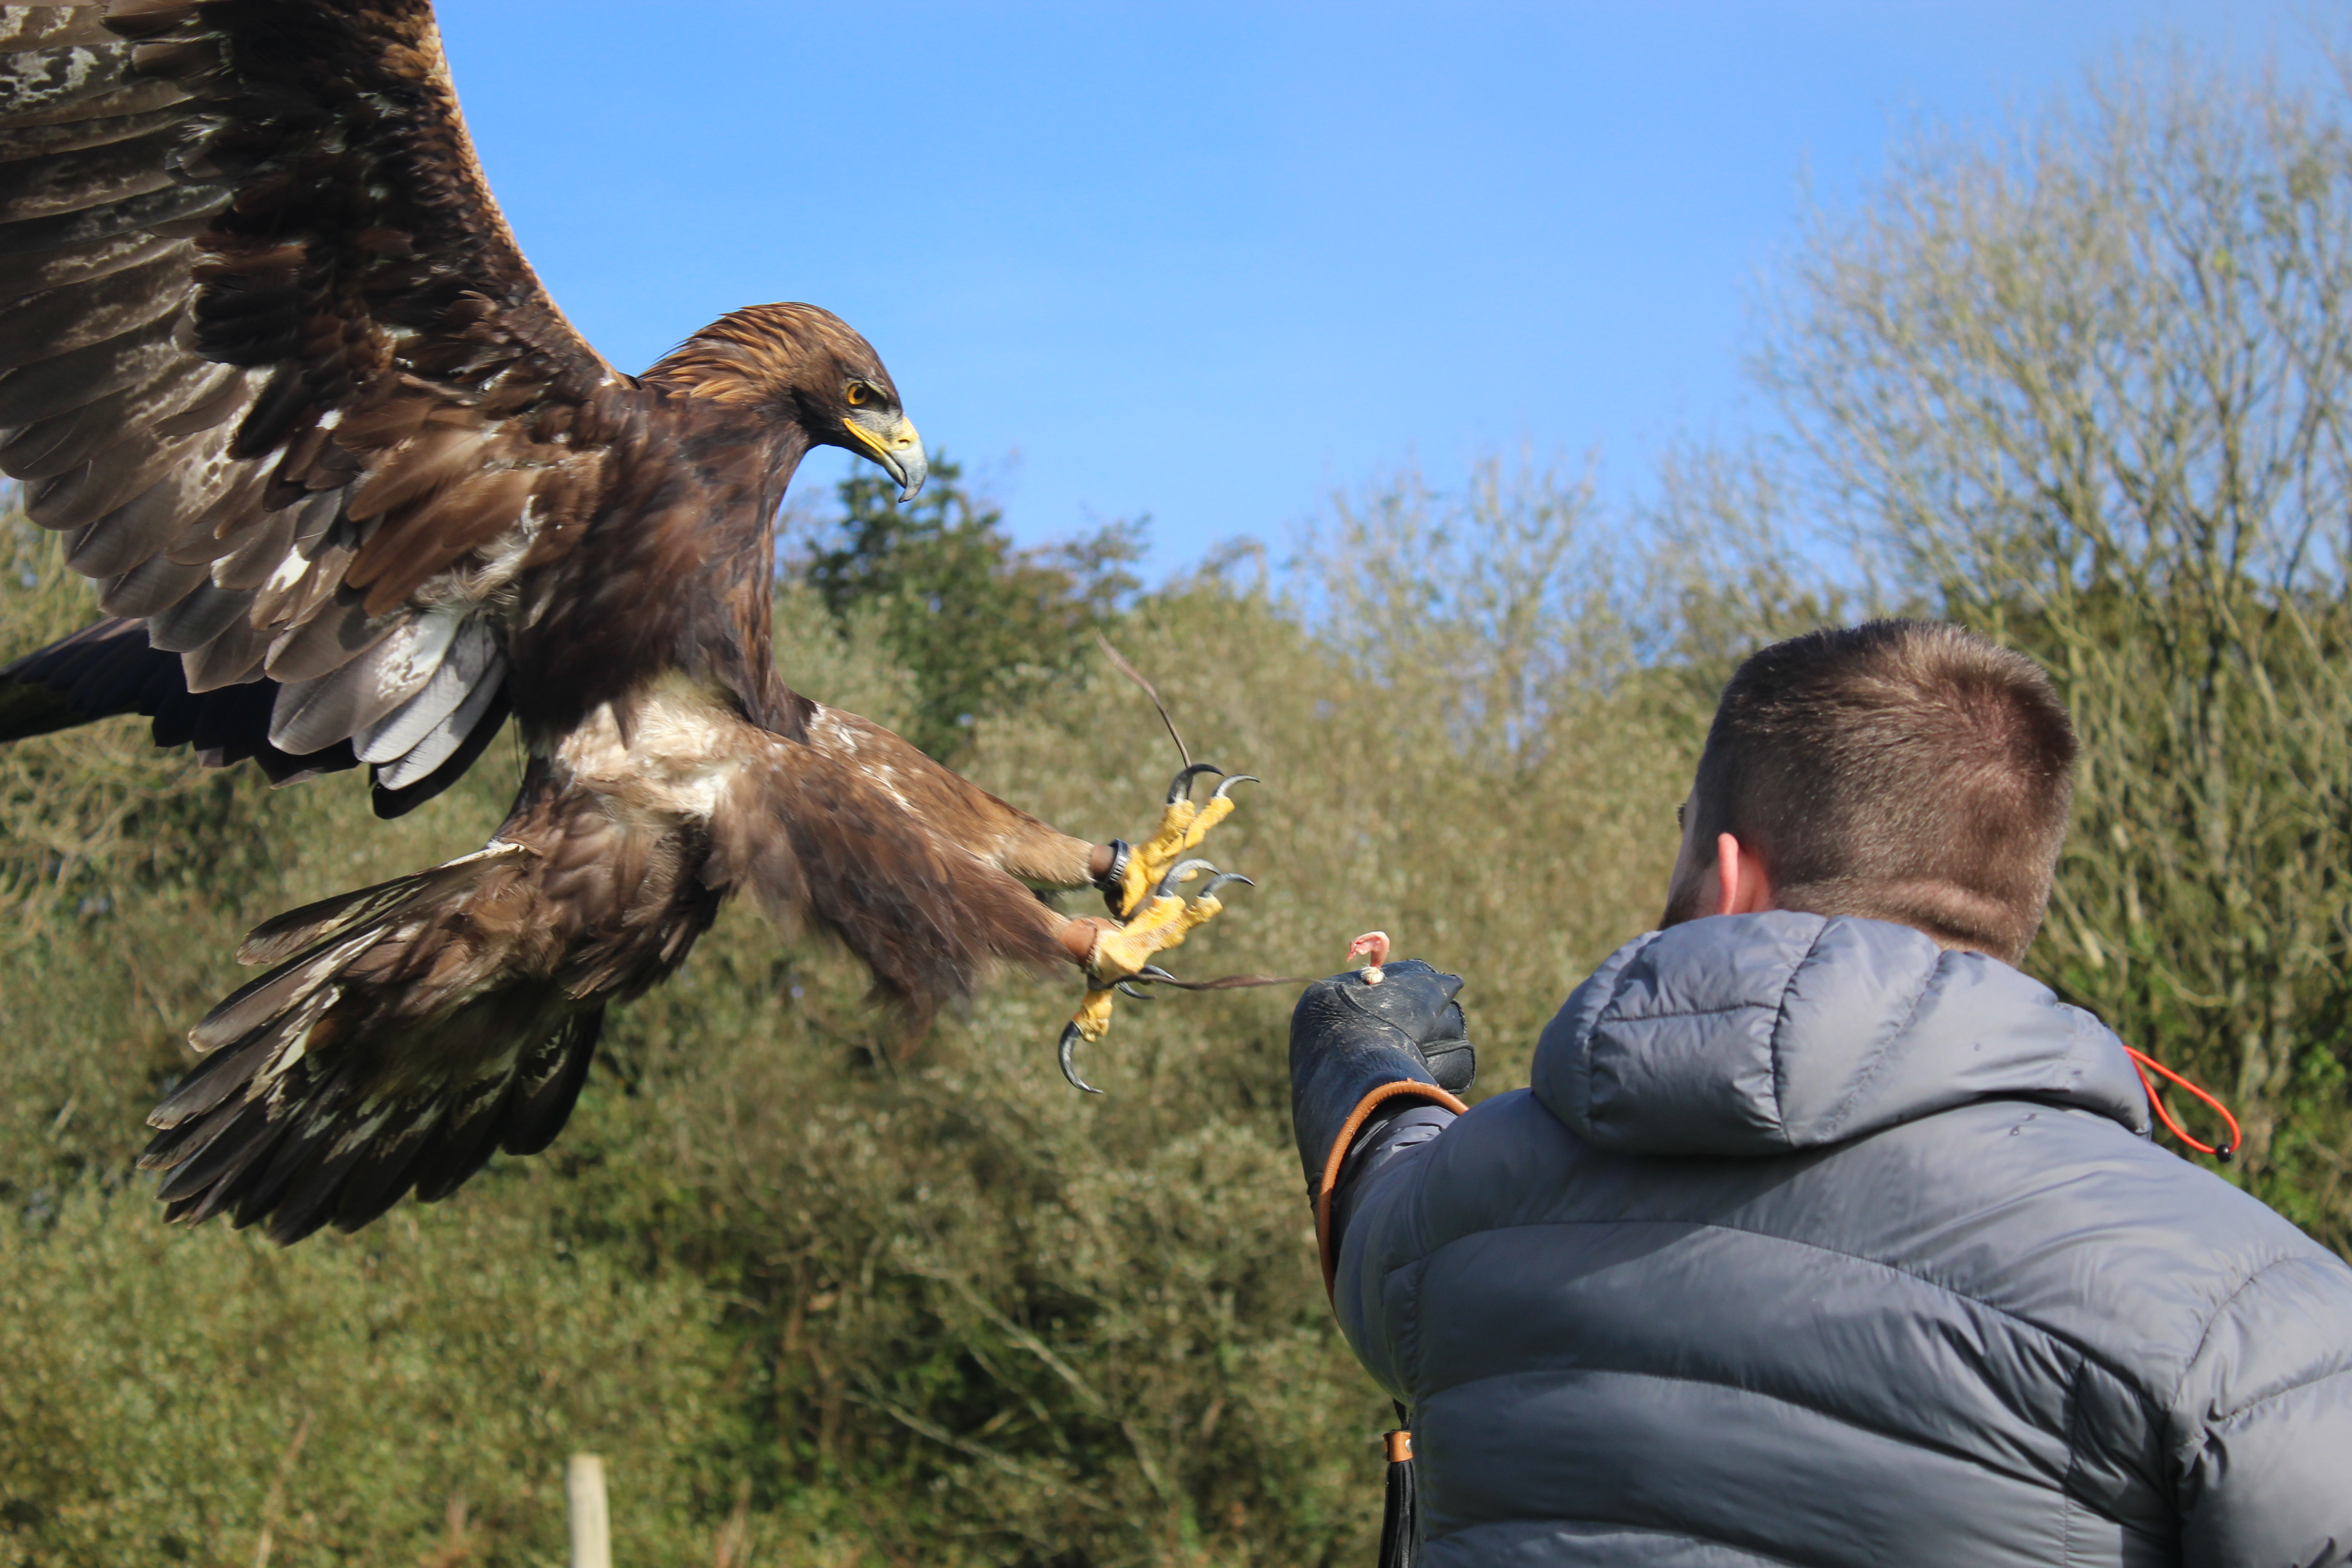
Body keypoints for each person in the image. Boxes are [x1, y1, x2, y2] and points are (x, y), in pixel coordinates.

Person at [1289, 619, 2352, 1567]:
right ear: (2011, 903)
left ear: (1734, 877)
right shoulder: (2258, 1318)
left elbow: (1379, 1203)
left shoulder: (1461, 1221)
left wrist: (1365, 1059)